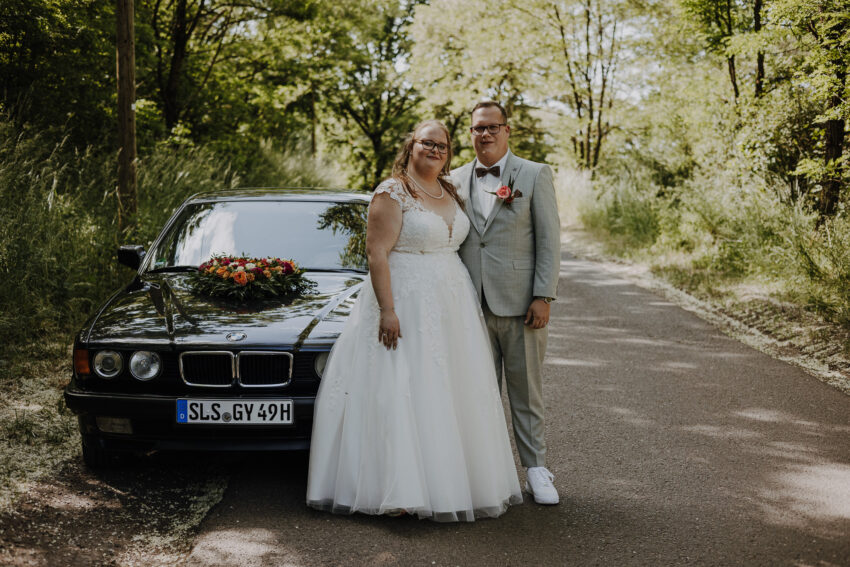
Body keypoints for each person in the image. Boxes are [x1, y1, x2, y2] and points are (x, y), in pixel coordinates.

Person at [306, 120, 522, 522]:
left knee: (447, 390)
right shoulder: (392, 192)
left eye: (443, 145)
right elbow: (377, 254)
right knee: (402, 386)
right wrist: (388, 310)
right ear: (411, 146)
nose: (435, 150)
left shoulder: (450, 190)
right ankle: (400, 488)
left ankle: (452, 482)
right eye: (428, 143)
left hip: (452, 303)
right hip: (405, 299)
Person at [452, 101, 561, 505]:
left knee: (526, 393)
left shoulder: (534, 174)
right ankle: (480, 474)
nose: (485, 134)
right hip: (469, 306)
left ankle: (536, 470)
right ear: (470, 134)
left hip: (521, 305)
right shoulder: (453, 179)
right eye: (478, 128)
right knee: (475, 393)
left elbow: (549, 241)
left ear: (506, 130)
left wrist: (543, 295)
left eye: (492, 127)